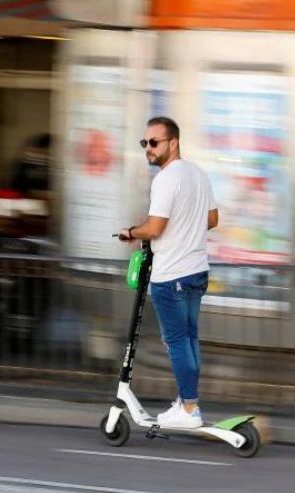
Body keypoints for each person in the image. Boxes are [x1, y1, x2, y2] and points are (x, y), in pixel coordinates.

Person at [118, 116, 219, 428]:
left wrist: (131, 232)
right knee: (189, 338)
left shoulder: (165, 179)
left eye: (154, 142)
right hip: (197, 271)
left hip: (172, 274)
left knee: (177, 341)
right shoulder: (198, 174)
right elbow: (212, 219)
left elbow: (155, 227)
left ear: (172, 143)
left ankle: (189, 409)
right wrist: (186, 228)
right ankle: (188, 401)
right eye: (144, 143)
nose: (148, 148)